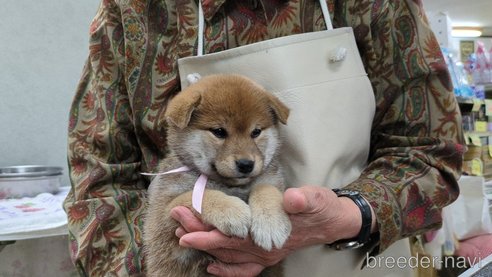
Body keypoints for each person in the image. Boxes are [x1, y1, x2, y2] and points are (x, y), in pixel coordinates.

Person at [63, 0, 464, 276]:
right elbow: (98, 178)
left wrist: (350, 213)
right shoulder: (133, 11)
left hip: (359, 264)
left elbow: (431, 150)